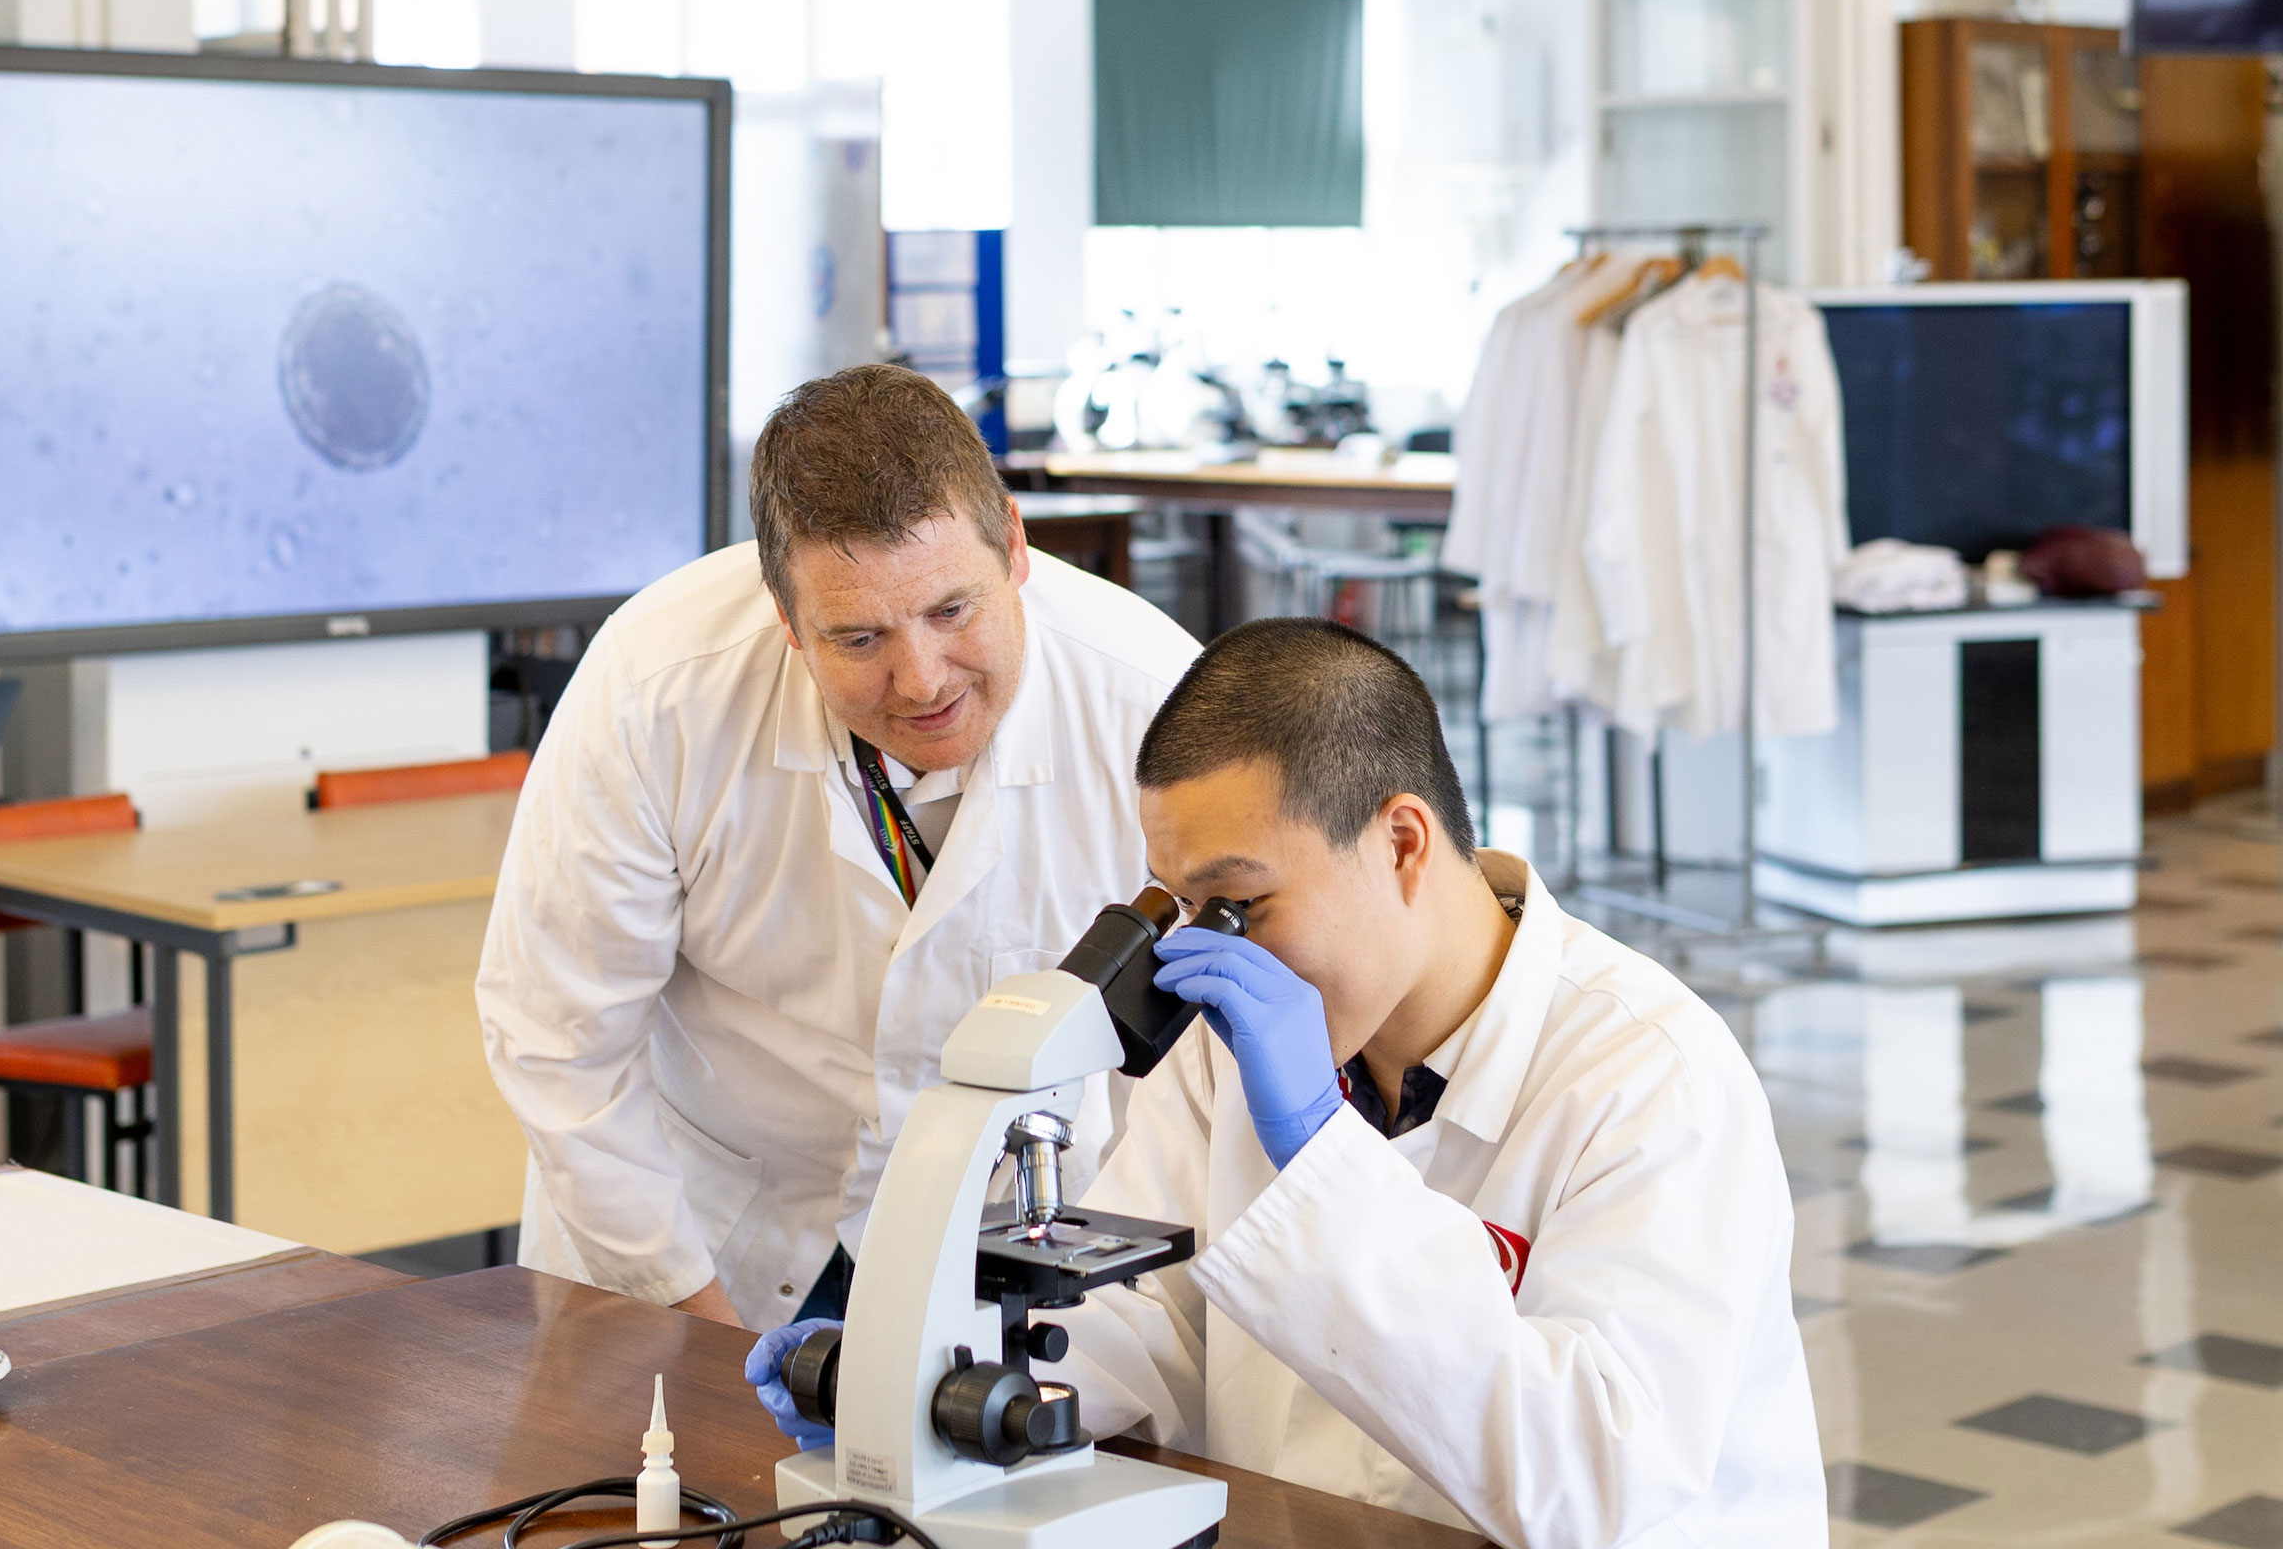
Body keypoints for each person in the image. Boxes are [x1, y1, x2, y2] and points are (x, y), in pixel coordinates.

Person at [749, 619, 1823, 1547]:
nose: (1211, 959)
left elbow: (1589, 1484)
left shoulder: (1650, 1078)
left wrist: (1320, 1149)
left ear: (1402, 841)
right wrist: (921, 1376)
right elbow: (1157, 1327)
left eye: (1241, 903)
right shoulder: (1239, 1039)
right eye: (1181, 904)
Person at [478, 364, 1201, 1330]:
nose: (922, 679)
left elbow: (1200, 1065)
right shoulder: (656, 689)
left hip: (1009, 1237)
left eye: (953, 611)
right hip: (707, 1221)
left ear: (1016, 547)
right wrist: (689, 1325)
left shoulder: (1154, 705)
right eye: (858, 639)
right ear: (786, 617)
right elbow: (558, 1035)